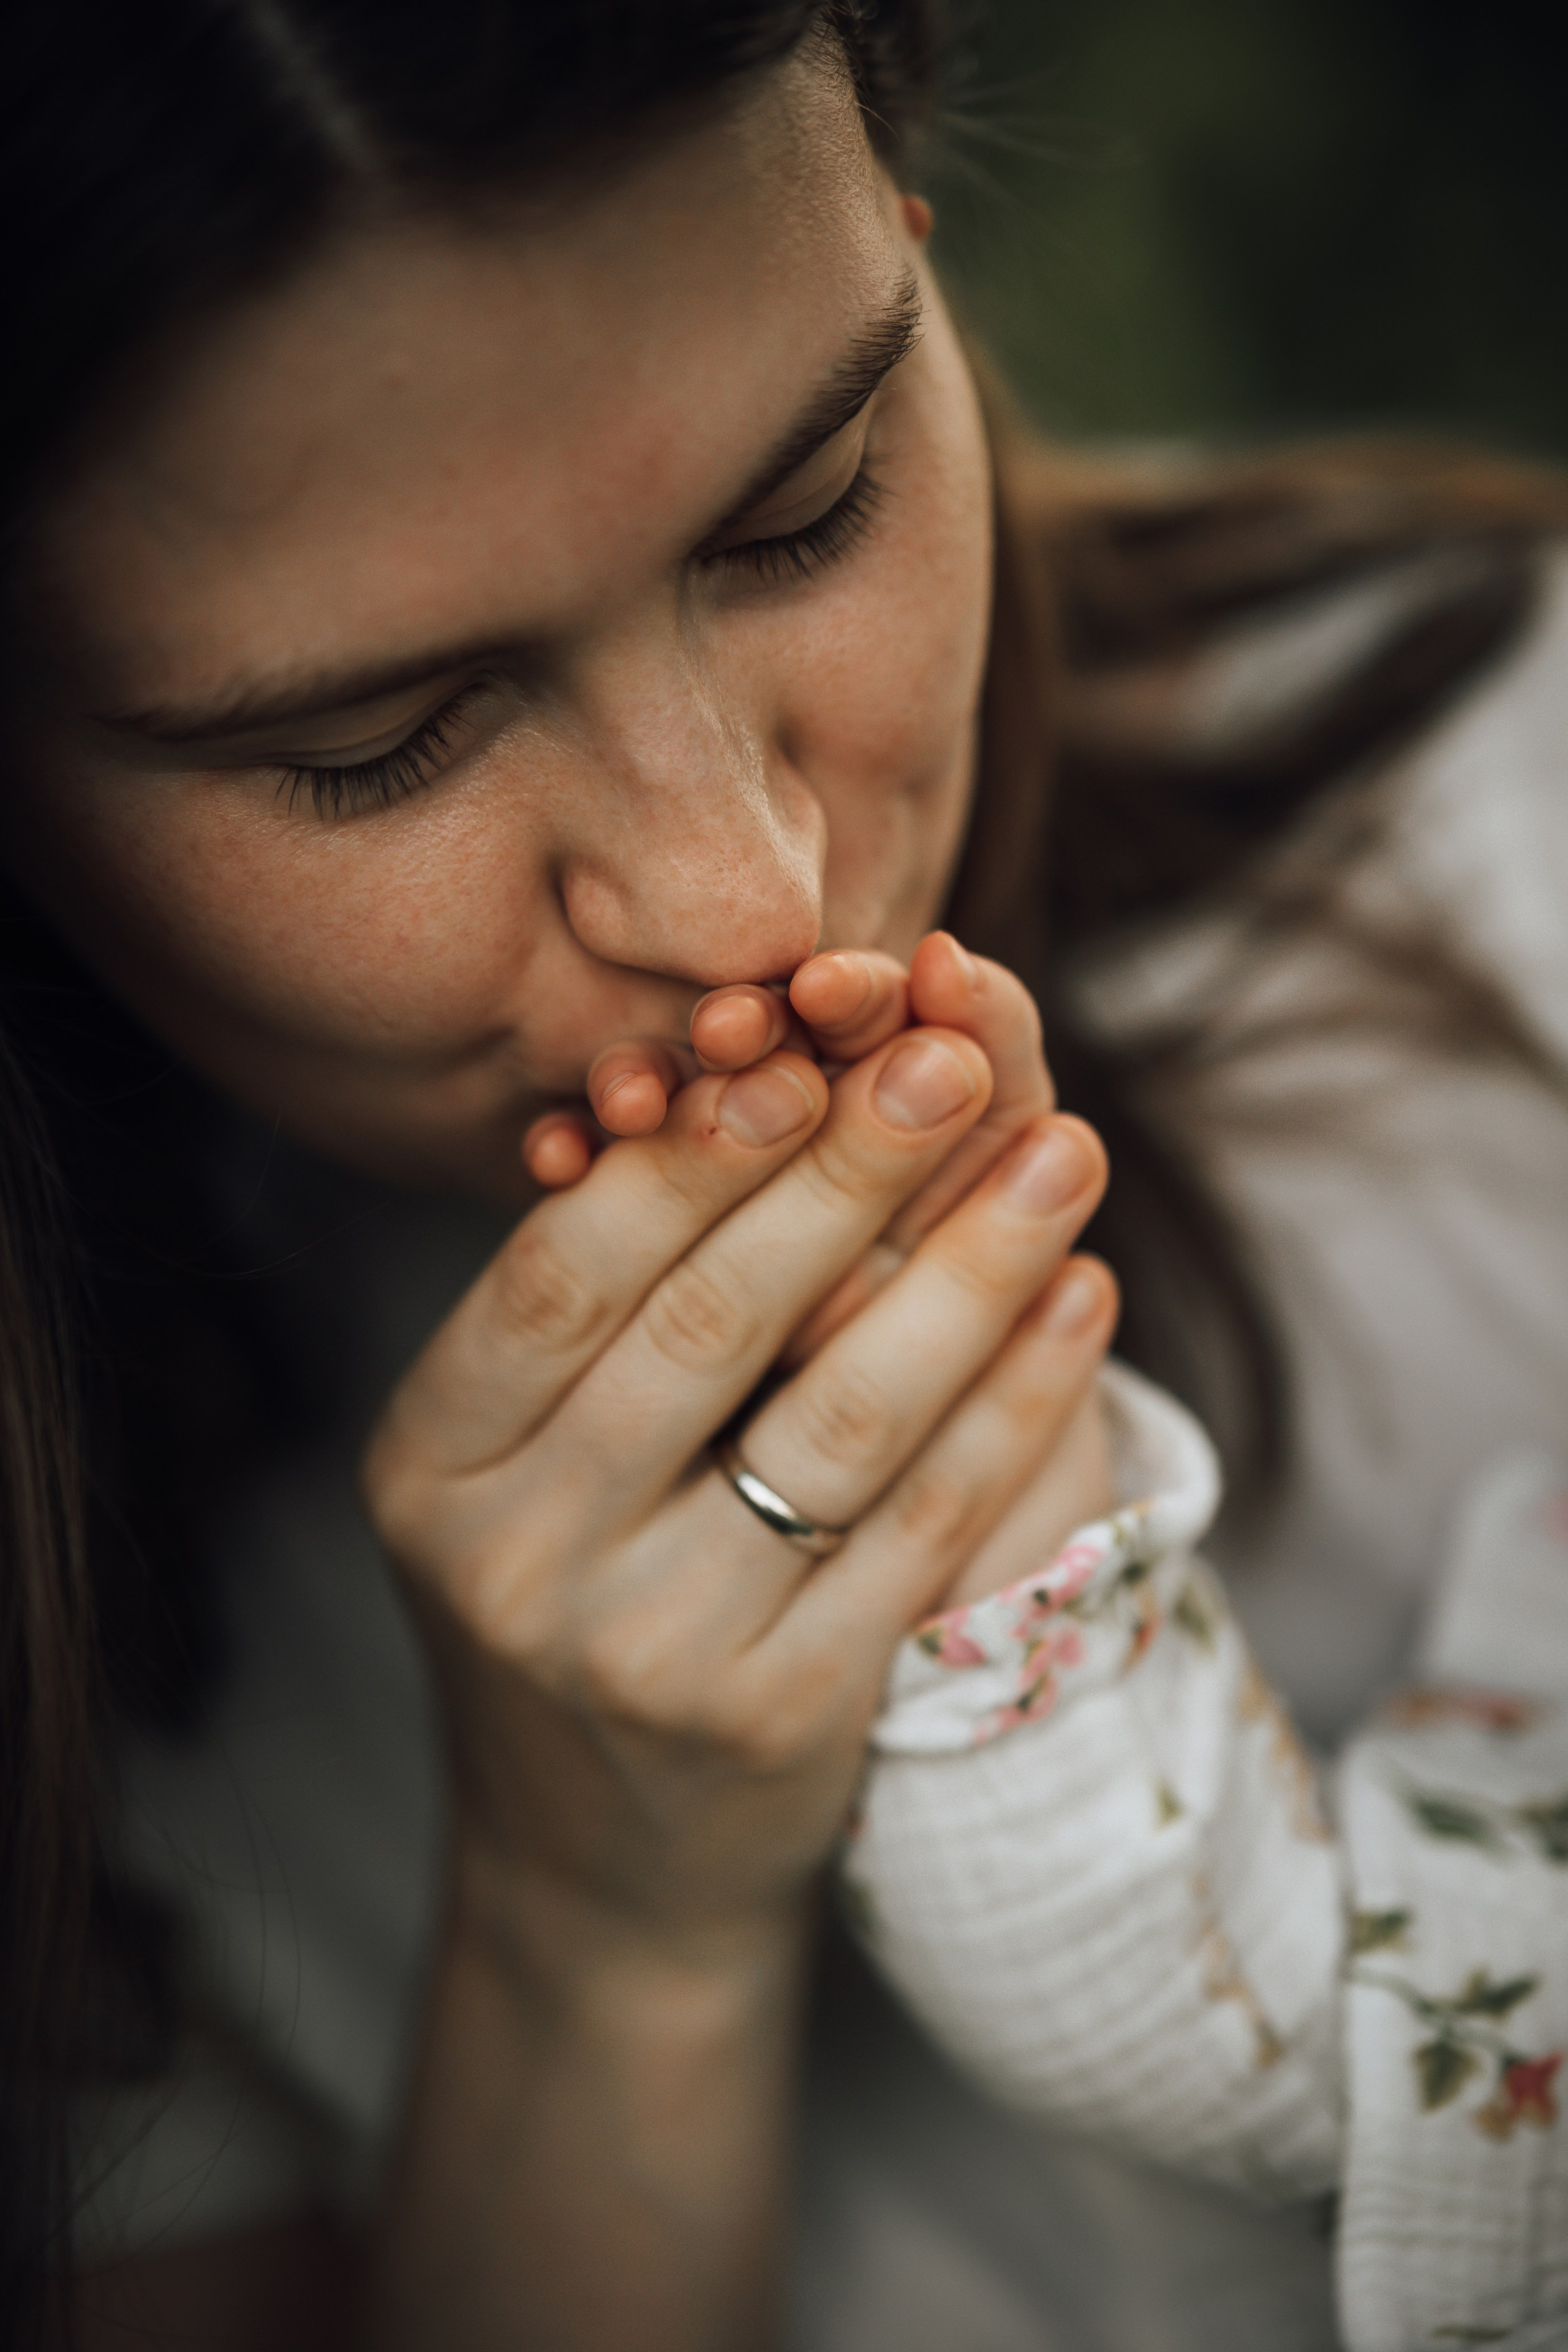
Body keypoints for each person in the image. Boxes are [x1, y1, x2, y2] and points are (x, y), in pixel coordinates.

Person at [2, 4, 1564, 2348]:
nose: (747, 896)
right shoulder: (97, 1758)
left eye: (809, 505)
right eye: (376, 740)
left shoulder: (1509, 811)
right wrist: (587, 1942)